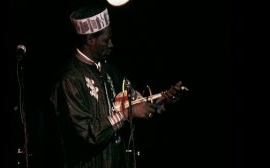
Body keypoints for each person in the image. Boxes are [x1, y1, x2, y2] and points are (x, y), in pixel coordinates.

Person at [49, 4, 187, 168]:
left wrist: (162, 99)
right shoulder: (70, 79)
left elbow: (136, 102)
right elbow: (86, 133)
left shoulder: (109, 70)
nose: (111, 45)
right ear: (90, 39)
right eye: (106, 40)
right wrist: (126, 113)